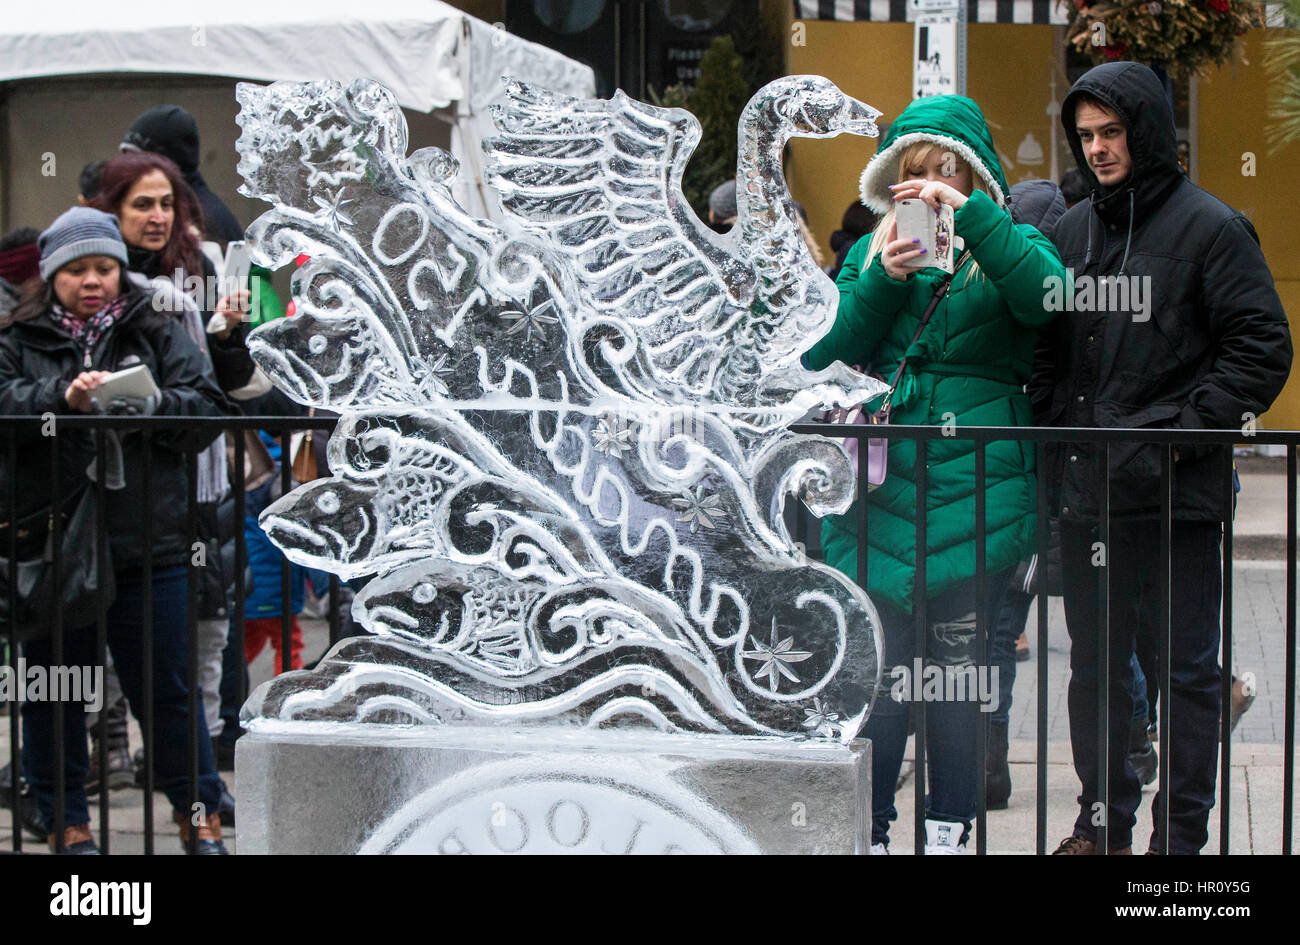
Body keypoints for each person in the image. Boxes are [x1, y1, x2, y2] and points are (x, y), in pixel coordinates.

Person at [1033, 62, 1292, 855]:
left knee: (1186, 674)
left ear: (1146, 130)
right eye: (1086, 136)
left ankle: (1179, 842)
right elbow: (1048, 354)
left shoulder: (1213, 227)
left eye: (1112, 132)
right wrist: (1055, 441)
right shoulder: (1070, 233)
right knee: (1096, 675)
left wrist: (1177, 433)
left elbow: (1263, 349)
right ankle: (1098, 826)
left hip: (1179, 498)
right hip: (1089, 499)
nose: (1099, 148)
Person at [803, 95, 1068, 853]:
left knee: (955, 672)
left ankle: (949, 829)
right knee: (881, 671)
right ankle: (876, 830)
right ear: (894, 178)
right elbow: (828, 349)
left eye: (947, 174)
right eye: (916, 174)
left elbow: (1050, 299)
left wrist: (975, 218)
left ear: (976, 177)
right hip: (883, 487)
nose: (929, 188)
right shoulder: (872, 248)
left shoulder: (1006, 239)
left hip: (977, 486)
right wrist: (881, 276)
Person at [0, 207, 230, 853]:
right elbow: (4, 400)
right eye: (76, 270)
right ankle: (66, 820)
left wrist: (150, 401)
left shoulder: (154, 328)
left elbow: (207, 408)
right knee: (53, 690)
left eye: (104, 266)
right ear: (51, 277)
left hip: (148, 540)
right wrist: (59, 401)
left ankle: (197, 813)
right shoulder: (18, 338)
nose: (92, 280)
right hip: (52, 545)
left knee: (167, 692)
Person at [120, 105, 244, 249]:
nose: (125, 168)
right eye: (125, 157)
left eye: (135, 159)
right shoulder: (193, 208)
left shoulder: (202, 221)